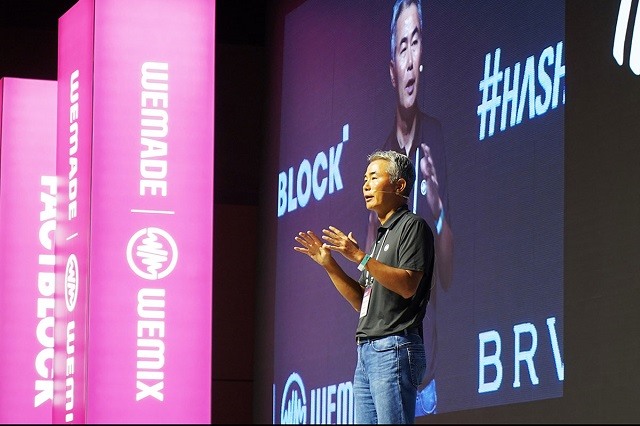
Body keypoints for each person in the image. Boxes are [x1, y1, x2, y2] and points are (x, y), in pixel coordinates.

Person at [294, 150, 435, 424]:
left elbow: (407, 285)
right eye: (364, 179)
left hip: (393, 345)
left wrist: (360, 257)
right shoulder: (382, 238)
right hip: (368, 350)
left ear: (399, 185)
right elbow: (363, 302)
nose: (366, 186)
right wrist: (330, 265)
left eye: (374, 177)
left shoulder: (412, 227)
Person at [364, 0, 455, 416]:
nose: (411, 58)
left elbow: (443, 277)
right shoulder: (382, 153)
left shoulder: (439, 136)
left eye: (416, 43)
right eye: (402, 46)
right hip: (372, 349)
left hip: (417, 357)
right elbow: (372, 294)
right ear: (391, 69)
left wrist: (439, 212)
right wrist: (333, 264)